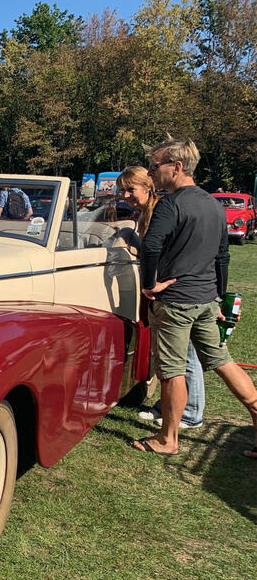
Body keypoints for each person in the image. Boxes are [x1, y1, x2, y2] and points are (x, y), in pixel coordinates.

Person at [133, 137, 257, 457]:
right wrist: (218, 297)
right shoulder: (214, 204)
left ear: (176, 167)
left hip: (175, 303)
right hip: (205, 301)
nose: (151, 172)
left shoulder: (171, 204)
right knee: (223, 362)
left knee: (171, 371)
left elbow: (151, 246)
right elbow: (222, 256)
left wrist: (149, 285)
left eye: (155, 166)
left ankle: (167, 438)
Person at [117, 166, 204, 429]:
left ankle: (190, 413)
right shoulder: (147, 212)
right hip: (170, 290)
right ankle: (167, 407)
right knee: (168, 354)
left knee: (185, 355)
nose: (126, 195)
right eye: (123, 190)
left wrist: (152, 282)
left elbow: (162, 250)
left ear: (148, 186)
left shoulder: (160, 210)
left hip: (176, 291)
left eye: (131, 189)